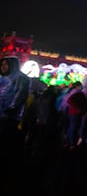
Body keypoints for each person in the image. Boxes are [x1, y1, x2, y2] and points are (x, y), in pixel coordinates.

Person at [0, 56, 31, 190]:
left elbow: (20, 96)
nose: (3, 67)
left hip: (9, 118)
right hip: (2, 115)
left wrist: (9, 109)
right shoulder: (3, 78)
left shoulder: (20, 78)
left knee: (5, 145)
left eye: (5, 65)